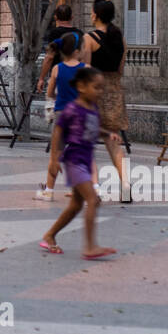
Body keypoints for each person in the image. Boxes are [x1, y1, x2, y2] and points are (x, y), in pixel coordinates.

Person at [40, 67, 117, 259]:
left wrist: (108, 134)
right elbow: (58, 131)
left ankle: (49, 235)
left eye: (101, 88)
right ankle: (90, 247)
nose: (100, 91)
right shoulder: (72, 109)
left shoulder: (93, 108)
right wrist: (56, 157)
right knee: (93, 200)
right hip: (74, 160)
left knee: (75, 205)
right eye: (96, 87)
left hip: (85, 159)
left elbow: (93, 128)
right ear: (81, 87)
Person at [80, 0, 130, 201]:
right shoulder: (120, 38)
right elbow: (120, 69)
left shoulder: (89, 38)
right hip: (115, 92)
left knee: (85, 141)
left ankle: (91, 186)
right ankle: (125, 183)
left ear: (96, 15)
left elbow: (86, 69)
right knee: (113, 141)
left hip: (95, 93)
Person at [36, 32, 84, 201]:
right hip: (79, 115)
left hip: (61, 114)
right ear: (78, 50)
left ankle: (49, 190)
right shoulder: (84, 68)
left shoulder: (57, 69)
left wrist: (59, 97)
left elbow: (50, 92)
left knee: (55, 154)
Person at [36, 4, 80, 93]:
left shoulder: (54, 33)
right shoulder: (79, 34)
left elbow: (49, 57)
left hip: (59, 76)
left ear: (55, 17)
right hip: (77, 76)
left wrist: (41, 78)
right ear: (72, 17)